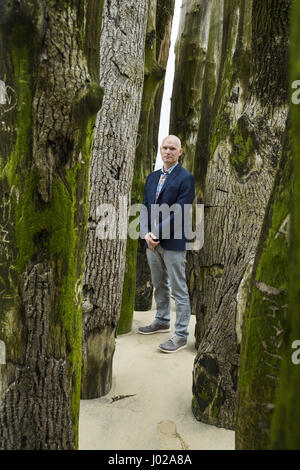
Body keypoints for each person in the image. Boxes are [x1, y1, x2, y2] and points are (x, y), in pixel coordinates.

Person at [138, 135, 195, 353]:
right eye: (165, 147)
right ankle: (161, 320)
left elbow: (180, 212)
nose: (168, 151)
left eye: (173, 148)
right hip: (151, 242)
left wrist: (157, 233)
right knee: (159, 284)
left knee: (179, 290)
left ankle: (180, 335)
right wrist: (146, 234)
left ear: (180, 152)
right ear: (160, 150)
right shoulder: (152, 177)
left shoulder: (185, 178)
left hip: (173, 242)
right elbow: (144, 207)